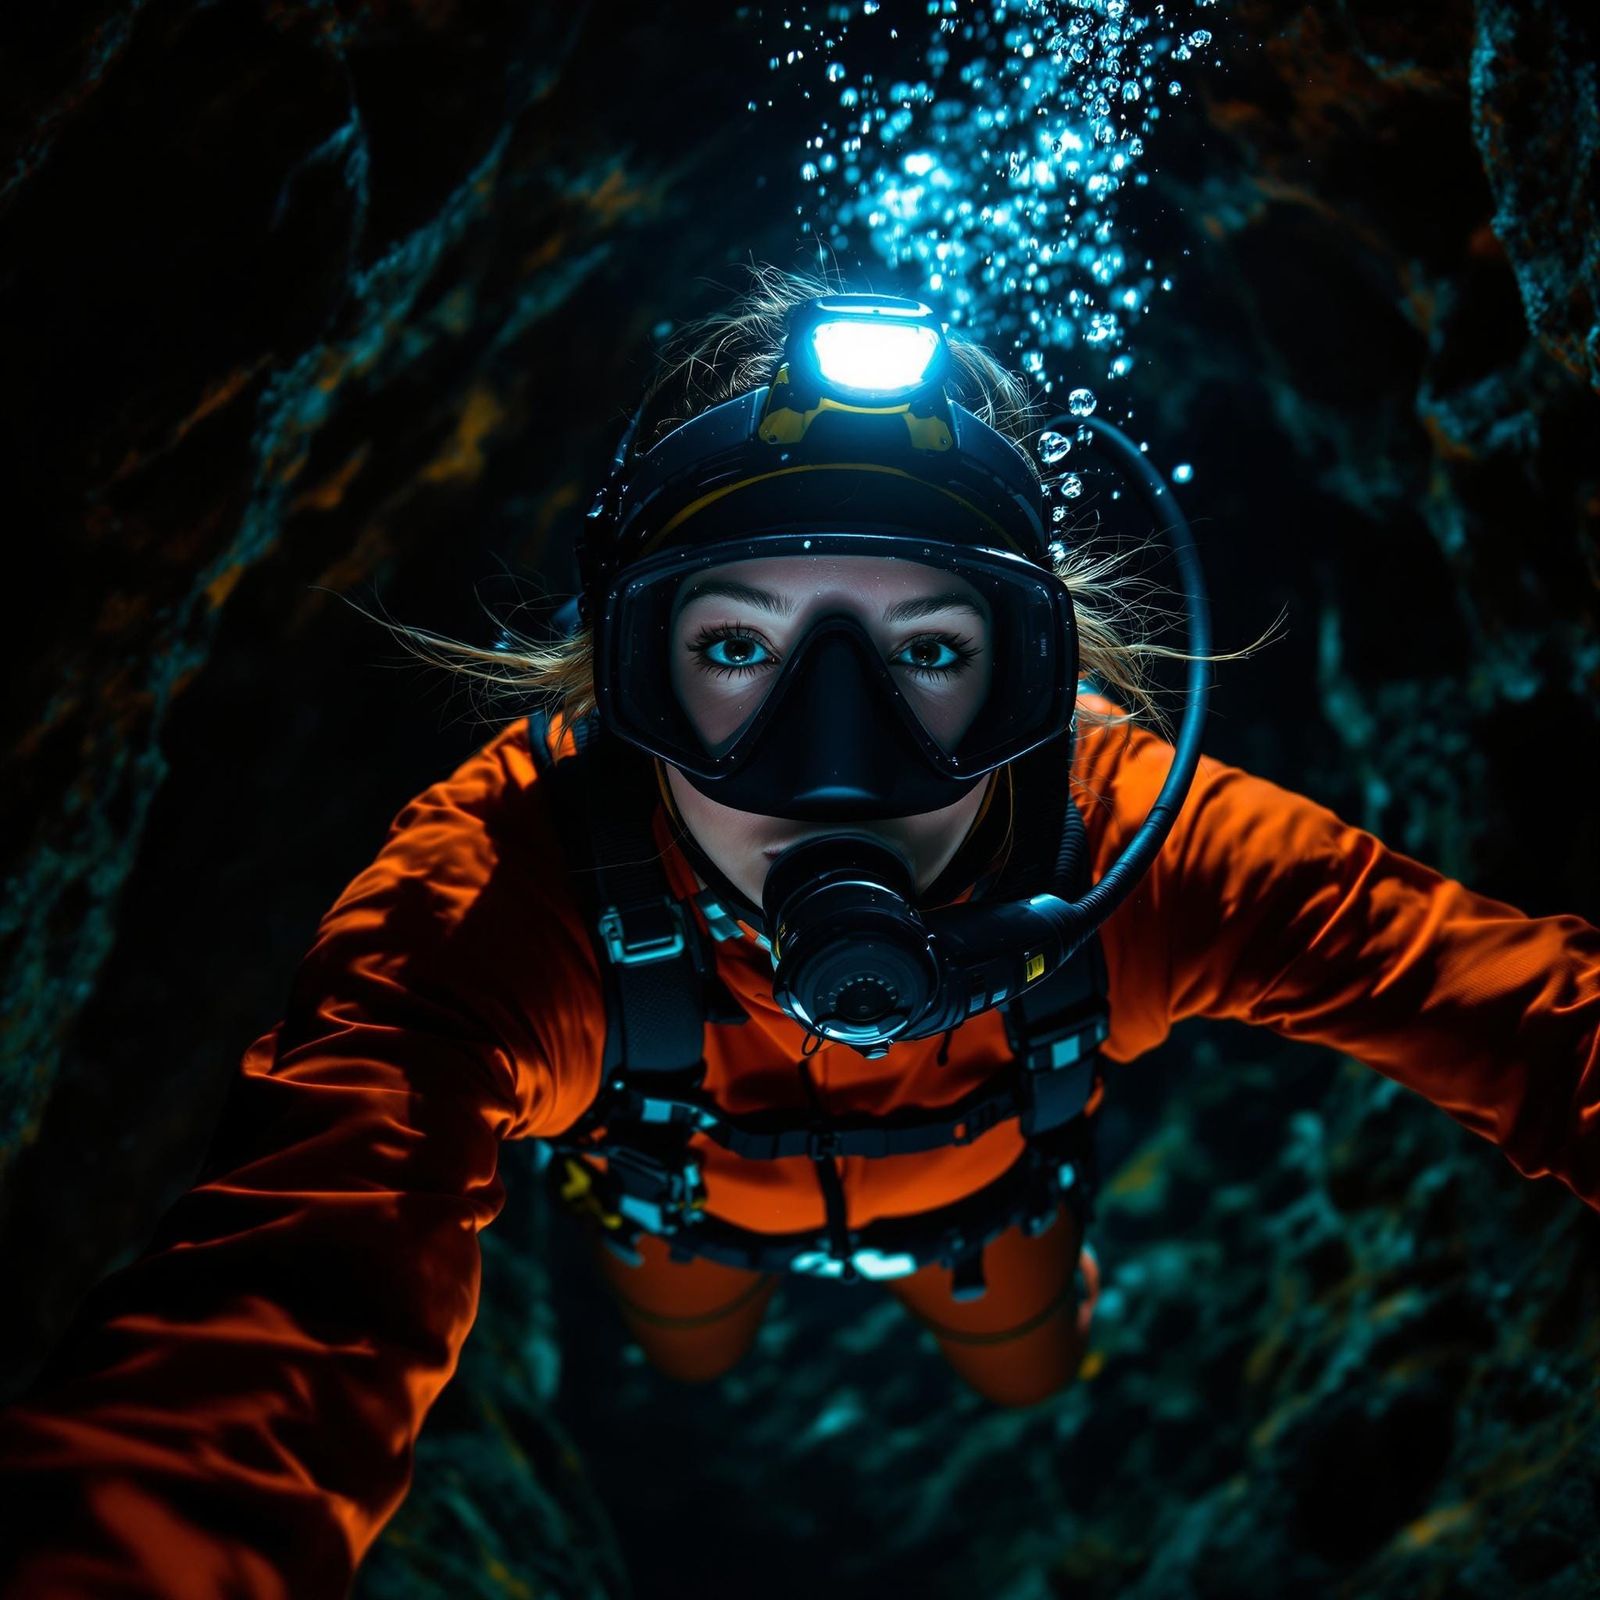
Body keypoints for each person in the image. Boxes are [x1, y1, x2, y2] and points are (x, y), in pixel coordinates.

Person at [1, 264, 1597, 1600]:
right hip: (681, 1231)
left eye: (927, 650)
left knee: (1030, 1376)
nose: (838, 759)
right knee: (692, 1355)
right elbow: (276, 1323)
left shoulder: (1132, 838)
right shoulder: (504, 888)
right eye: (741, 646)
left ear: (1039, 675)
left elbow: (1525, 1018)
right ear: (623, 679)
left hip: (992, 1224)